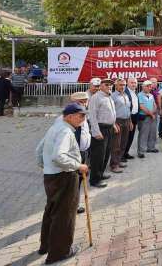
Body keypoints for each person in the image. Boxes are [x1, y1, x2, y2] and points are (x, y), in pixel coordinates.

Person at [35, 103, 88, 264]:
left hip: (51, 176)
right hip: (63, 176)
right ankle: (60, 252)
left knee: (51, 211)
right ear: (69, 116)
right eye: (81, 115)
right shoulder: (65, 131)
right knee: (64, 215)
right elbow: (59, 156)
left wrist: (45, 167)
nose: (83, 119)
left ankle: (46, 246)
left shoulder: (56, 127)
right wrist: (79, 166)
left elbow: (39, 150)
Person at [88, 78, 117, 188]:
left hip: (109, 128)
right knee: (98, 155)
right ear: (101, 86)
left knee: (106, 153)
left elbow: (111, 113)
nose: (109, 86)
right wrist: (96, 131)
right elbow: (92, 116)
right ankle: (94, 180)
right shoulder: (96, 97)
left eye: (110, 85)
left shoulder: (108, 96)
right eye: (106, 84)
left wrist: (113, 124)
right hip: (101, 129)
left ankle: (100, 174)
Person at [66, 92, 91, 214]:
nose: (84, 103)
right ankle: (71, 206)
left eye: (85, 101)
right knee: (73, 181)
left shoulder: (83, 114)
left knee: (79, 180)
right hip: (76, 155)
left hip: (83, 151)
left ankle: (74, 204)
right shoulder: (73, 117)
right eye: (81, 102)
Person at [111, 78, 131, 173]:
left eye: (124, 85)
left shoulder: (126, 95)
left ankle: (119, 161)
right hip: (117, 121)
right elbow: (110, 111)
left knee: (123, 143)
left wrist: (130, 121)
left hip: (126, 120)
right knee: (116, 144)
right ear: (116, 85)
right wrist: (114, 123)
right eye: (120, 85)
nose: (122, 86)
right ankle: (114, 165)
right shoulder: (112, 96)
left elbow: (128, 109)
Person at [137, 80, 158, 158]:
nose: (149, 88)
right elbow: (141, 107)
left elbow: (154, 105)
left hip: (151, 116)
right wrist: (151, 114)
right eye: (147, 86)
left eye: (150, 86)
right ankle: (141, 151)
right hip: (144, 117)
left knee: (152, 132)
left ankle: (151, 147)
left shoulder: (151, 95)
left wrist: (153, 112)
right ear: (143, 87)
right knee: (143, 134)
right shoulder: (140, 95)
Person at [123, 77, 139, 160]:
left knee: (131, 137)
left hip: (135, 116)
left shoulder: (134, 92)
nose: (133, 84)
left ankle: (126, 153)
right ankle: (121, 155)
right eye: (131, 82)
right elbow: (126, 107)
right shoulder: (125, 92)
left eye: (135, 83)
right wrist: (129, 120)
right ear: (127, 83)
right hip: (128, 117)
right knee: (125, 137)